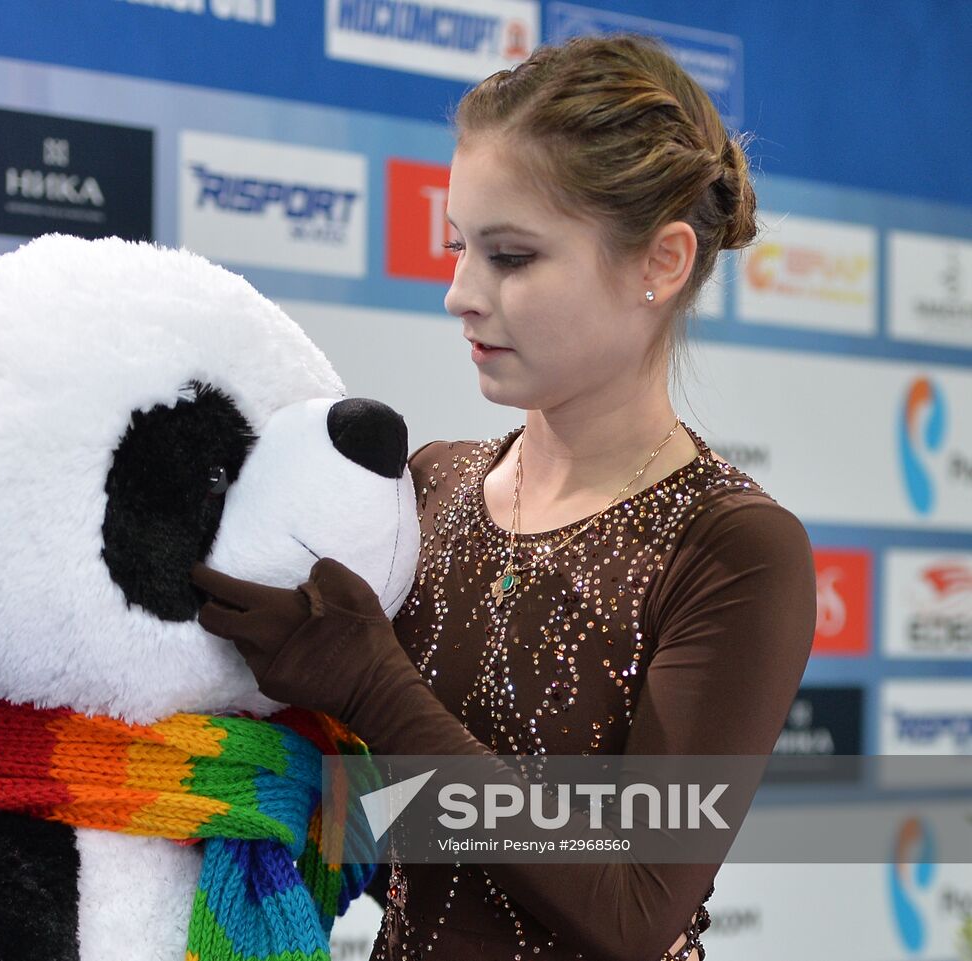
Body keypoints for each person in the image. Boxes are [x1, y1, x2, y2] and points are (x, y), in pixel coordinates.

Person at [191, 32, 817, 961]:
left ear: (662, 261)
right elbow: (389, 835)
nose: (460, 293)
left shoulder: (731, 548)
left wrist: (375, 687)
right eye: (459, 247)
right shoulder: (434, 484)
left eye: (511, 257)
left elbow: (635, 906)